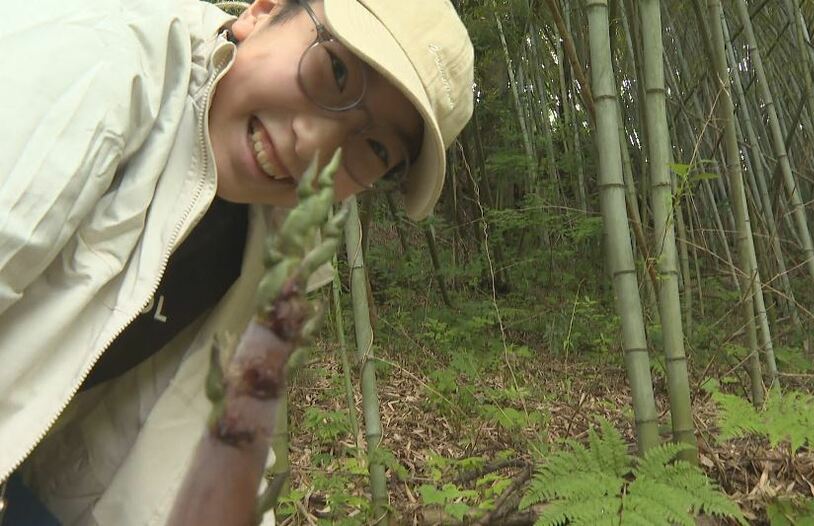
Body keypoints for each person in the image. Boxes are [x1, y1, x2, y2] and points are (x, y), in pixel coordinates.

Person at [0, 0, 474, 523]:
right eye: (335, 70)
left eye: (377, 150)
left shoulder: (271, 239)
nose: (313, 145)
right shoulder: (99, 60)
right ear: (262, 12)